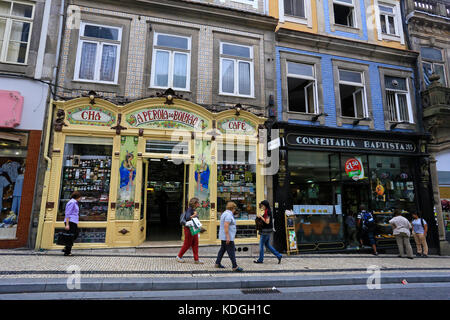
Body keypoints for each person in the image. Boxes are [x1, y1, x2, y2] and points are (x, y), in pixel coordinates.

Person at [215, 202, 243, 272]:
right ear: (232, 208)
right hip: (227, 237)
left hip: (224, 236)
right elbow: (226, 225)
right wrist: (228, 237)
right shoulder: (228, 215)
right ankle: (235, 266)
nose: (235, 210)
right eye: (234, 208)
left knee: (222, 249)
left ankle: (217, 263)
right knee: (231, 251)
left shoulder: (225, 213)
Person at [254, 200, 282, 264]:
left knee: (261, 245)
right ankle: (279, 255)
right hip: (267, 230)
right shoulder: (267, 211)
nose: (262, 206)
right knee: (267, 245)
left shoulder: (268, 212)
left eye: (262, 205)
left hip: (265, 231)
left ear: (265, 205)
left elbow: (267, 221)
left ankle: (260, 260)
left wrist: (261, 217)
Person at [176, 197, 203, 264]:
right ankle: (179, 256)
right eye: (198, 203)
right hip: (189, 229)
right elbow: (188, 218)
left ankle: (196, 259)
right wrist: (194, 215)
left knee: (195, 243)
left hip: (193, 228)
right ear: (195, 203)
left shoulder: (193, 209)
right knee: (187, 244)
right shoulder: (189, 210)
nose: (199, 204)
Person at [63, 191, 81, 256]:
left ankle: (66, 248)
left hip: (73, 221)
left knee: (73, 235)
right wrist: (67, 224)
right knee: (72, 236)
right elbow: (67, 213)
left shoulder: (74, 202)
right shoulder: (72, 202)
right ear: (77, 197)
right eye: (80, 197)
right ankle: (67, 251)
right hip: (70, 221)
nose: (80, 198)